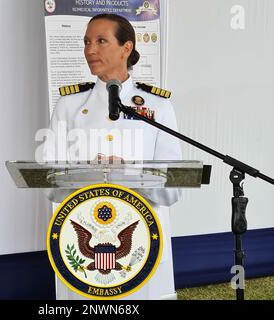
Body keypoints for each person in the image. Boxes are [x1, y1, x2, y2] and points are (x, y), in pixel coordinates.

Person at [44, 14, 182, 300]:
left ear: (126, 48)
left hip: (144, 241)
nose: (90, 50)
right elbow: (50, 182)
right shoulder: (69, 105)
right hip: (85, 243)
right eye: (86, 42)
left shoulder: (157, 106)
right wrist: (87, 174)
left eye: (101, 41)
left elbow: (173, 189)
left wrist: (129, 174)